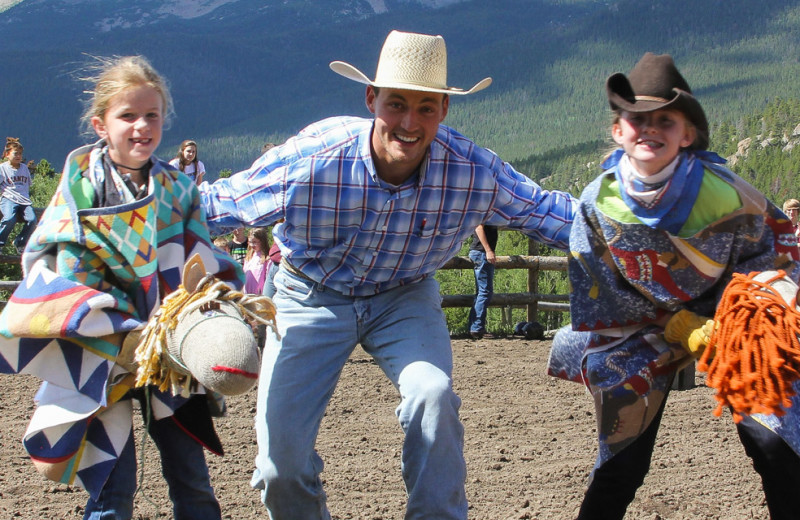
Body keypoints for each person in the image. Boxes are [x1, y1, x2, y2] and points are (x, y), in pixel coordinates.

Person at [199, 30, 576, 519]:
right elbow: (216, 204)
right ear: (371, 98)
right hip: (308, 294)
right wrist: (114, 220)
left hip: (405, 296)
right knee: (278, 465)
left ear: (444, 108)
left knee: (433, 396)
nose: (409, 122)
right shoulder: (313, 158)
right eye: (396, 104)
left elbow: (552, 213)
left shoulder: (472, 170)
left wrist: (647, 218)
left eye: (425, 108)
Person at [546, 53, 800, 520]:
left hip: (735, 320)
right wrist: (677, 325)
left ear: (687, 135)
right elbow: (599, 292)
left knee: (775, 443)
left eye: (665, 119)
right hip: (641, 328)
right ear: (619, 131)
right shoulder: (596, 205)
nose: (649, 129)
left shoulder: (729, 195)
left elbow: (777, 257)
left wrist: (734, 323)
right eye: (636, 119)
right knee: (622, 462)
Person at [0, 55, 244, 520]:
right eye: (127, 115)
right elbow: (60, 262)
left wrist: (208, 309)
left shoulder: (178, 189)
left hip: (168, 351)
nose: (141, 126)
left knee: (191, 479)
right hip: (99, 351)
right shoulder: (79, 187)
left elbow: (197, 258)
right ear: (100, 123)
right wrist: (117, 329)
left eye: (151, 115)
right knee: (113, 491)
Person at [0, 137, 37, 254]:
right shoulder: (2, 168)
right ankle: (0, 242)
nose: (19, 156)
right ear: (7, 154)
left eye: (20, 154)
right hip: (9, 198)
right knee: (9, 218)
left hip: (24, 201)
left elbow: (27, 184)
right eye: (15, 153)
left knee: (32, 220)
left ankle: (20, 242)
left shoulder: (24, 168)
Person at [468, 224, 498, 339]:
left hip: (479, 253)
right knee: (485, 292)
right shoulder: (486, 212)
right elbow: (478, 227)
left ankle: (474, 327)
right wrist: (488, 250)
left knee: (481, 292)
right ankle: (477, 328)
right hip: (481, 253)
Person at [244, 227, 269, 295]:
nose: (252, 245)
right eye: (250, 242)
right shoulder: (250, 256)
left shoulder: (266, 258)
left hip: (259, 294)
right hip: (247, 292)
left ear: (262, 241)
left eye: (254, 242)